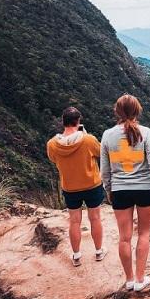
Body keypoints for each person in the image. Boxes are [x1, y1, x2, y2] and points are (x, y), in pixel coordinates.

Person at [101, 94, 150, 292]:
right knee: (144, 233)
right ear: (137, 111)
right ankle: (141, 279)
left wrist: (108, 190)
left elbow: (104, 169)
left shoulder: (107, 135)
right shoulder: (146, 132)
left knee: (124, 238)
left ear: (117, 112)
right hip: (146, 189)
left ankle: (130, 279)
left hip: (120, 190)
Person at [46, 107, 107, 267]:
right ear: (78, 122)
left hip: (70, 187)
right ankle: (99, 251)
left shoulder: (52, 144)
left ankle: (77, 255)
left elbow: (53, 159)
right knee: (95, 218)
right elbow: (100, 153)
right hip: (91, 184)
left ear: (63, 122)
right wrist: (85, 135)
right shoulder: (88, 140)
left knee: (74, 221)